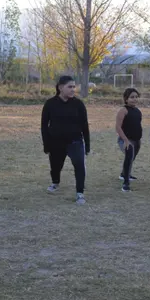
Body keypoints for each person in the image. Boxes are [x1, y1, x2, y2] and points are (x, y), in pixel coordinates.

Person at [41, 76, 90, 205]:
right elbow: (44, 125)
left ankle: (80, 193)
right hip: (56, 142)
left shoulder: (78, 104)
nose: (73, 89)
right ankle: (55, 183)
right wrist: (46, 144)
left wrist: (87, 144)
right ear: (60, 87)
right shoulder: (50, 104)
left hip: (75, 141)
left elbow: (85, 125)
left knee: (79, 166)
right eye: (70, 87)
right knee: (56, 166)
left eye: (74, 87)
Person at [116, 88, 142, 192]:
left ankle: (124, 174)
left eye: (136, 97)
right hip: (126, 140)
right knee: (129, 157)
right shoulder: (123, 110)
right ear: (126, 99)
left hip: (137, 140)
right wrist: (126, 140)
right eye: (132, 97)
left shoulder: (137, 111)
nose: (134, 99)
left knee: (131, 158)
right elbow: (118, 127)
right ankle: (126, 183)